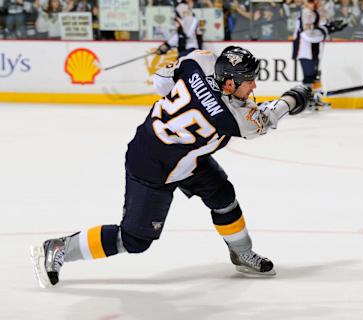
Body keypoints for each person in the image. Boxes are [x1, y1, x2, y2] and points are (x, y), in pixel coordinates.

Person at [30, 46, 312, 288]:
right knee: (134, 239)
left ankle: (242, 254)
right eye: (248, 81)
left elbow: (161, 81)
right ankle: (59, 248)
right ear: (228, 84)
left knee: (223, 196)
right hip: (154, 166)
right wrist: (294, 97)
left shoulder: (199, 62)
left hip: (180, 154)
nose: (253, 87)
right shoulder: (235, 118)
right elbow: (266, 117)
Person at [292, 0, 347, 111]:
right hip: (306, 50)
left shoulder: (312, 12)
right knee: (309, 76)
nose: (318, 2)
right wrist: (327, 29)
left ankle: (315, 98)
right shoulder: (306, 12)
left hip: (313, 49)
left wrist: (329, 27)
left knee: (315, 75)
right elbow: (307, 35)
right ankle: (307, 100)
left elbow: (318, 27)